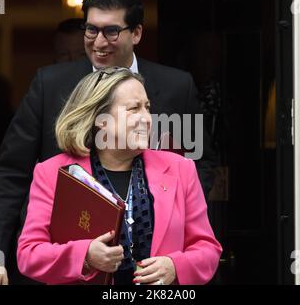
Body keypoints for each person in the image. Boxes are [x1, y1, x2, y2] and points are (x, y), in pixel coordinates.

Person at [0, 0, 217, 285]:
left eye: (111, 31)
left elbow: (198, 162)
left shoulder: (176, 86)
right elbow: (11, 172)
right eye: (91, 30)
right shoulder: (50, 84)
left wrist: (171, 220)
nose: (99, 42)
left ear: (137, 33)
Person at [17, 67, 222, 285]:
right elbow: (29, 254)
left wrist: (175, 267)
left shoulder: (181, 169)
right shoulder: (52, 173)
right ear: (100, 119)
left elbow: (207, 249)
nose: (146, 118)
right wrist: (85, 256)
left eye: (147, 107)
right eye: (134, 109)